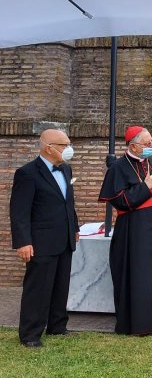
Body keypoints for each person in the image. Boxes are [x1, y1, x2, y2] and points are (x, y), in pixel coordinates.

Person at [99, 126, 152, 335]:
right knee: (140, 273)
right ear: (133, 145)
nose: (151, 146)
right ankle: (138, 321)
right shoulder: (118, 168)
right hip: (134, 232)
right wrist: (146, 185)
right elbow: (119, 201)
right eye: (147, 143)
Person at [10, 129, 80, 348]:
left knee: (61, 285)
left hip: (64, 238)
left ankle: (58, 326)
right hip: (41, 241)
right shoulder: (27, 173)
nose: (69, 149)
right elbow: (19, 211)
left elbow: (68, 202)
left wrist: (75, 227)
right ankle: (30, 334)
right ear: (48, 147)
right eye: (64, 145)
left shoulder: (66, 170)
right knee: (38, 288)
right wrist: (23, 241)